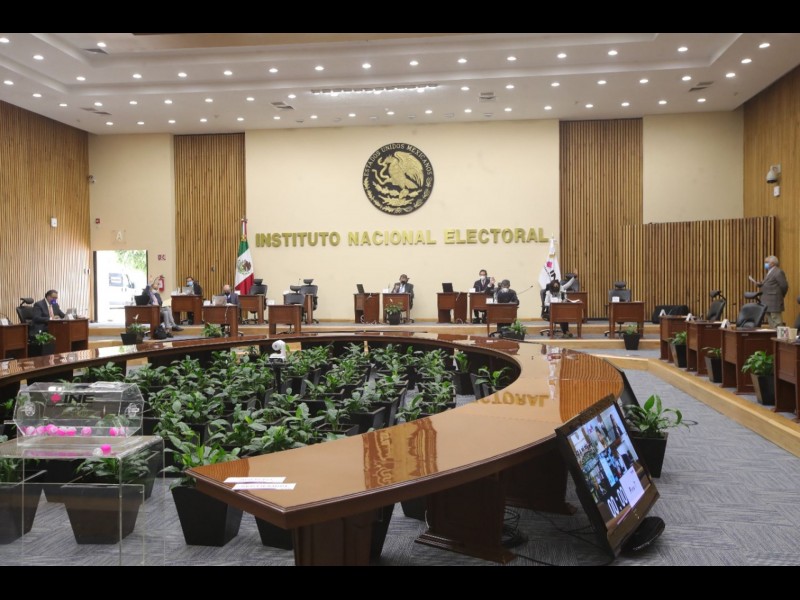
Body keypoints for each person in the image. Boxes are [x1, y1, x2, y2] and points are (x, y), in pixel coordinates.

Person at [755, 255, 789, 328]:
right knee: (771, 323)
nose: (765, 264)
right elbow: (770, 283)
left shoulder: (778, 272)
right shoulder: (770, 272)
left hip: (775, 301)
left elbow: (784, 286)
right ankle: (774, 335)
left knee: (777, 323)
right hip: (767, 302)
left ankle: (779, 335)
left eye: (767, 262)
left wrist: (780, 296)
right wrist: (761, 284)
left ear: (773, 263)